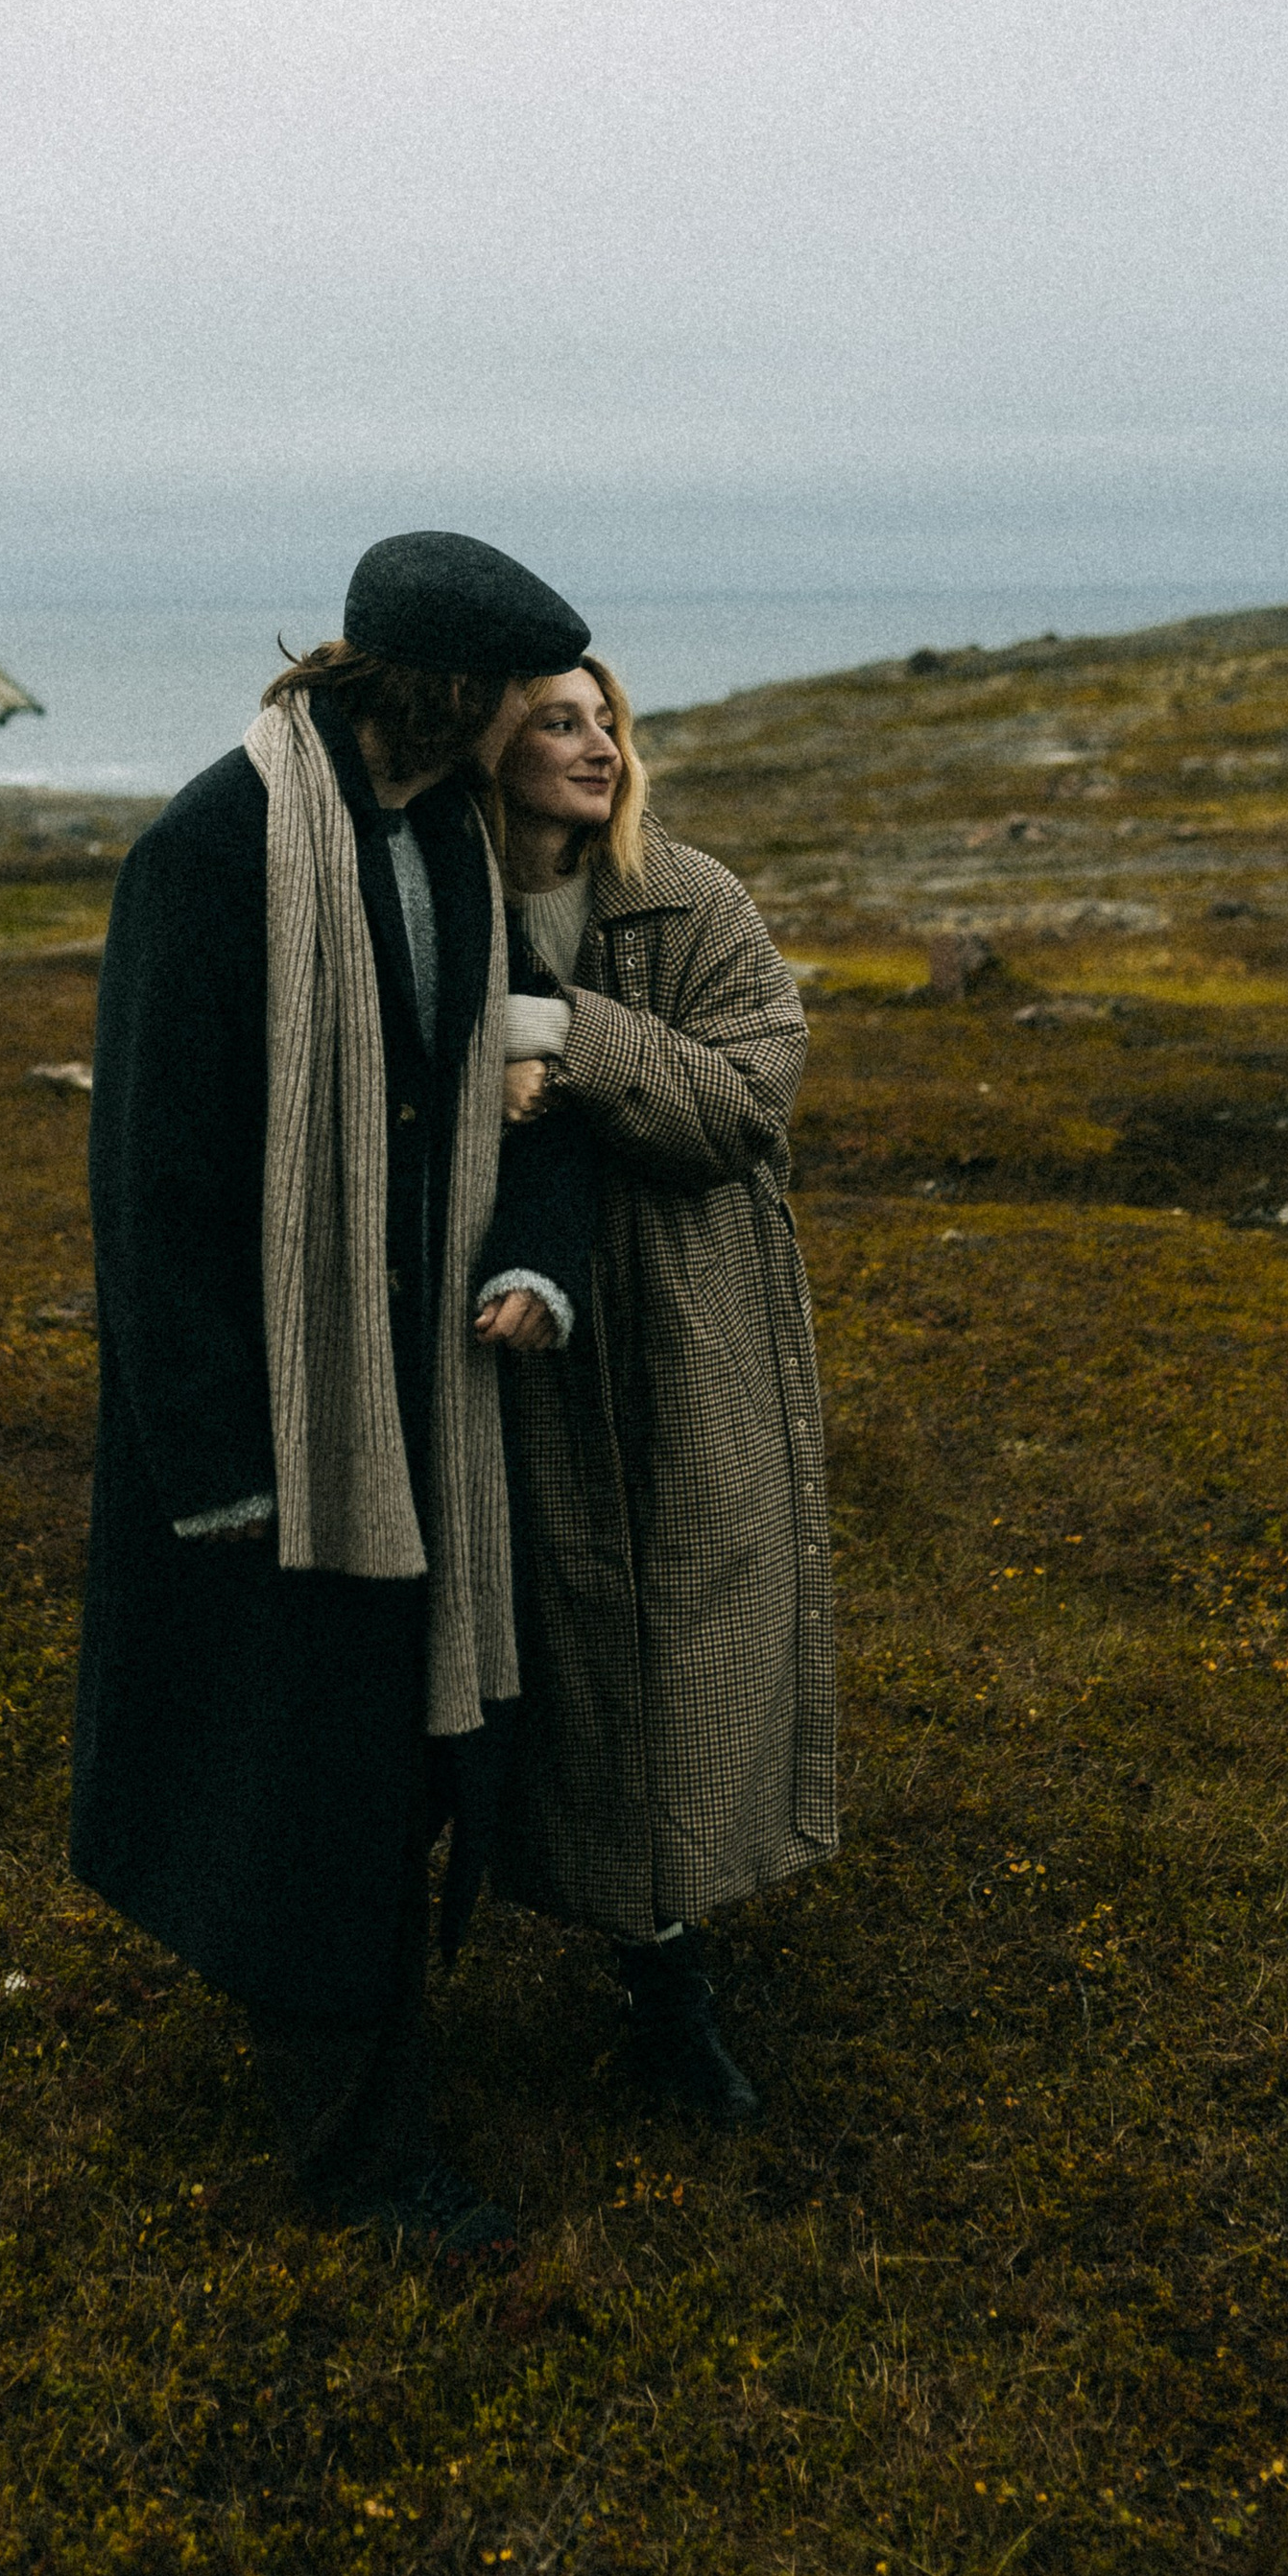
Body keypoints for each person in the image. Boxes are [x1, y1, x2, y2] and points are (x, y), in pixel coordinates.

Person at [69, 532, 594, 2269]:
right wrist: (214, 1463)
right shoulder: (214, 851)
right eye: (524, 689)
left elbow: (503, 1091)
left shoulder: (447, 833)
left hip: (421, 1403)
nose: (543, 719)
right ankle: (363, 2153)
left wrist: (526, 1252)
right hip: (278, 1418)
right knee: (309, 1775)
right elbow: (153, 1187)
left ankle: (370, 2069)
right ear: (453, 689)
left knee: (406, 1757)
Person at [486, 656, 838, 2127]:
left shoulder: (691, 899)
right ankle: (577, 1917)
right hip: (511, 1351)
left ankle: (672, 1982)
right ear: (488, 742)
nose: (597, 746)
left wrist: (567, 1035)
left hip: (690, 1337)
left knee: (684, 1630)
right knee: (554, 1643)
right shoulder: (437, 910)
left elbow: (748, 1104)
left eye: (608, 720)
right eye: (559, 721)